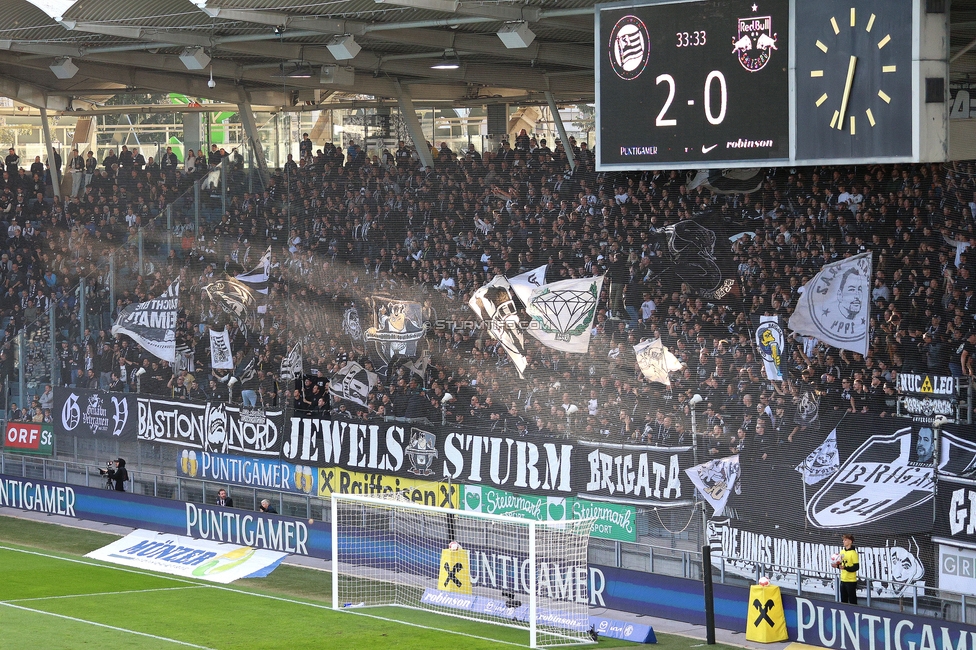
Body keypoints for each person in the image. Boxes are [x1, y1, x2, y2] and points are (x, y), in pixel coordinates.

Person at [837, 533, 860, 604]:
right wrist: (837, 566)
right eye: (843, 540)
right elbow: (841, 564)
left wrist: (845, 568)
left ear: (850, 541)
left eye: (845, 540)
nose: (843, 541)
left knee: (852, 600)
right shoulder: (842, 551)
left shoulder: (853, 553)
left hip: (851, 581)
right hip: (843, 579)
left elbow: (856, 567)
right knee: (843, 600)